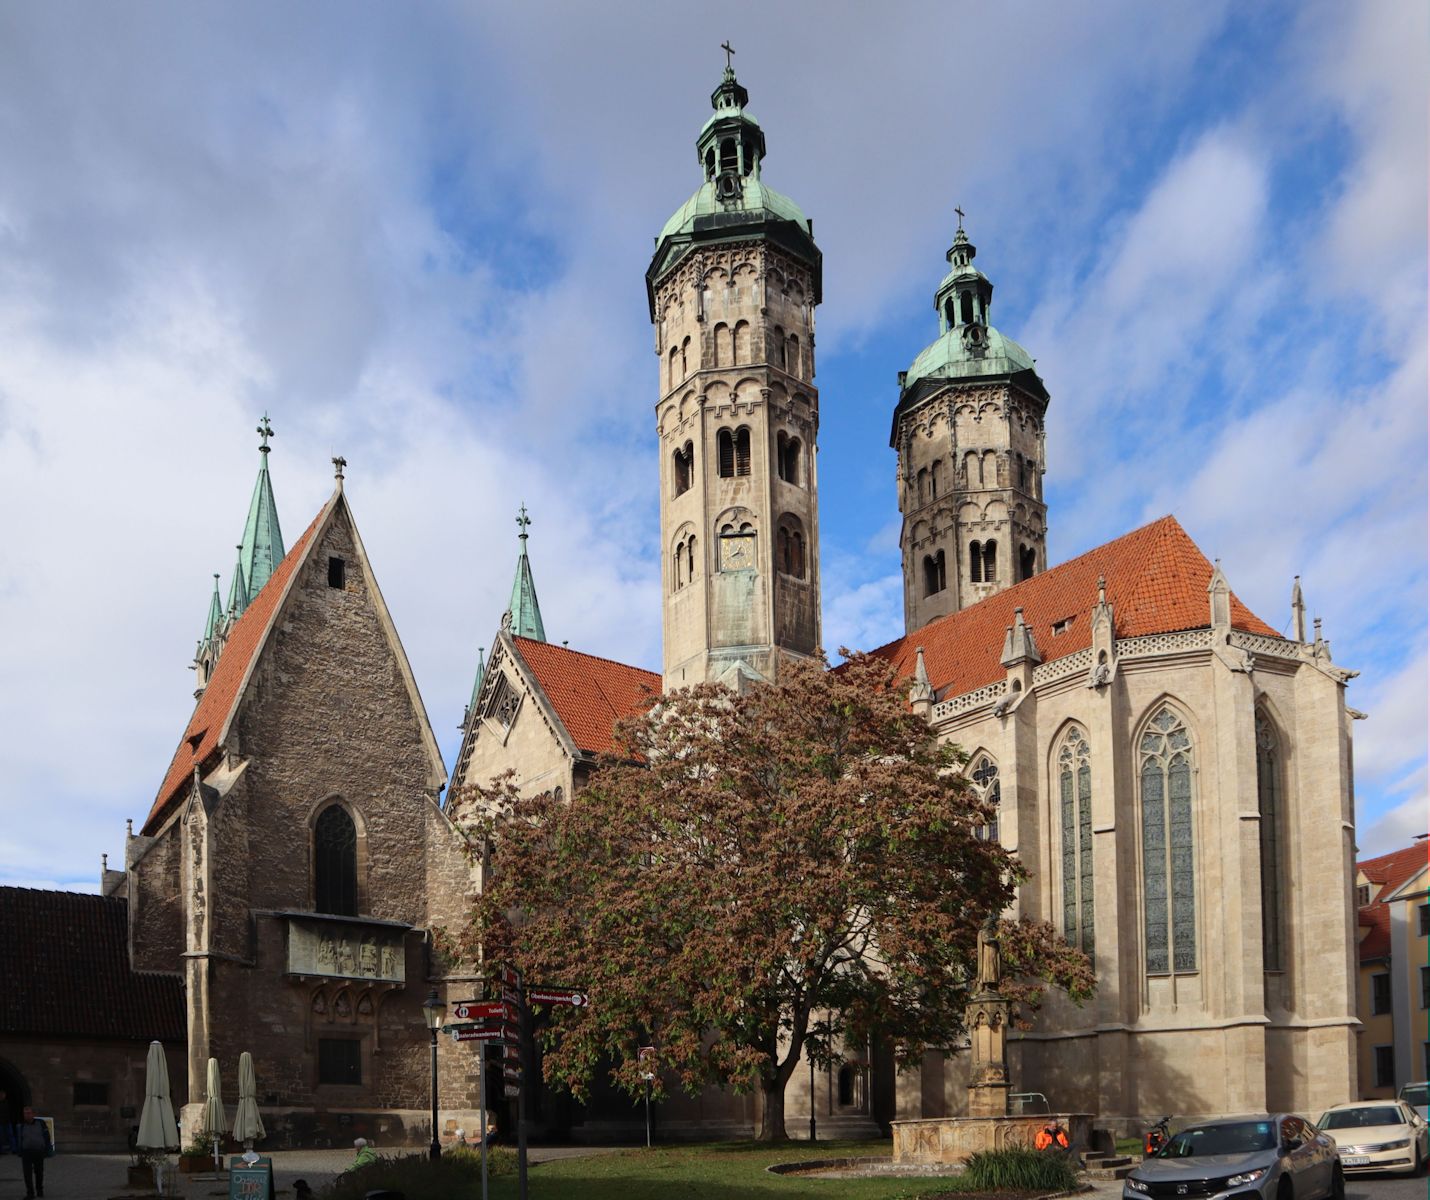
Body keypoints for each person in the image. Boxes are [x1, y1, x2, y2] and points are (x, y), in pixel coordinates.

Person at [17, 1107, 51, 1199]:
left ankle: (39, 1190)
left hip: (38, 1151)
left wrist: (46, 1149)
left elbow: (47, 1136)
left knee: (39, 1172)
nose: (27, 1115)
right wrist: (19, 1150)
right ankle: (30, 1193)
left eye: (28, 1113)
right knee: (27, 1173)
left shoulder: (40, 1123)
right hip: (26, 1152)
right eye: (25, 1113)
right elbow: (19, 1138)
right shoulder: (21, 1125)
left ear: (33, 1114)